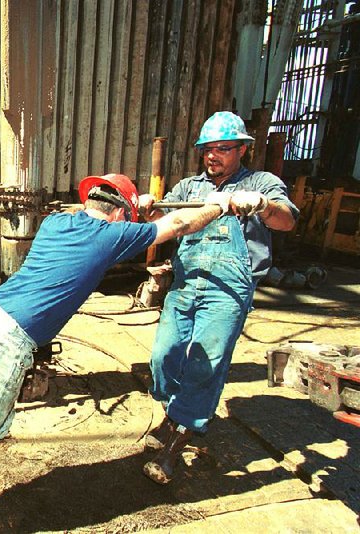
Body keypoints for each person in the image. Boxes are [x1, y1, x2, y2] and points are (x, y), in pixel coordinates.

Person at [0, 173, 234, 529]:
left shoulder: (58, 223)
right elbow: (180, 225)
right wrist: (222, 204)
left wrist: (139, 208)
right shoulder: (109, 237)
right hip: (7, 339)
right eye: (127, 217)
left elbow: (106, 216)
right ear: (120, 214)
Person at [138, 111, 299, 485]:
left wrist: (261, 204)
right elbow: (160, 221)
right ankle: (175, 412)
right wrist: (146, 205)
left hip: (227, 291)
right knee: (164, 357)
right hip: (185, 283)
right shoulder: (189, 189)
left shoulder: (261, 182)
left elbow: (288, 219)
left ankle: (176, 444)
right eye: (208, 149)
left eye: (224, 148)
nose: (214, 156)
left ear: (243, 149)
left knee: (204, 364)